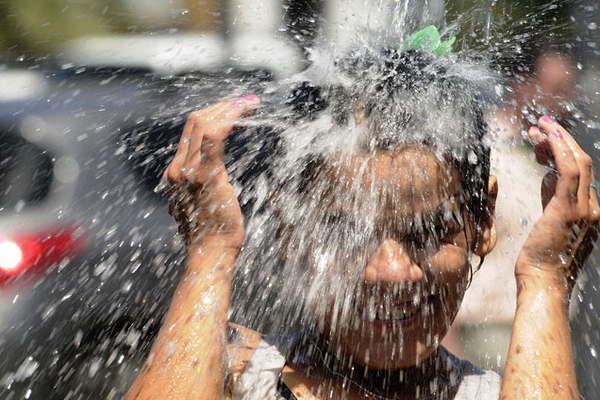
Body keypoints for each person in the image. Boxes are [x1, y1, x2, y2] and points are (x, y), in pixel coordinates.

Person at [125, 49, 598, 399]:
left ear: (482, 222)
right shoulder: (229, 373)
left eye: (429, 234)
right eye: (348, 233)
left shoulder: (510, 390)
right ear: (291, 228)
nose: (391, 273)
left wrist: (546, 282)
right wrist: (210, 253)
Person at [446, 51, 579, 368]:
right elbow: (449, 242)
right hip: (487, 333)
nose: (563, 102)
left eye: (568, 90)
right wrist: (449, 346)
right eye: (555, 89)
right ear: (522, 84)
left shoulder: (559, 156)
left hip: (546, 325)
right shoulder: (485, 146)